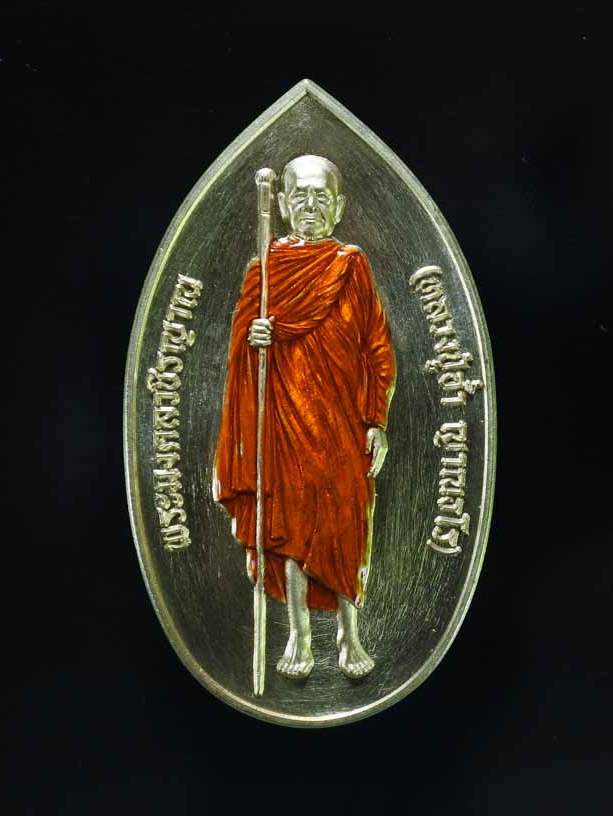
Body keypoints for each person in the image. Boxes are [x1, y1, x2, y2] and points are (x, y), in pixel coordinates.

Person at [213, 155, 396, 679]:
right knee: (290, 525)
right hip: (287, 421)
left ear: (338, 207)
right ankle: (298, 634)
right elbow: (240, 359)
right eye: (300, 196)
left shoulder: (351, 265)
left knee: (345, 521)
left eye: (321, 197)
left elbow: (376, 345)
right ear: (282, 203)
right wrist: (254, 340)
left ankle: (349, 635)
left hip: (342, 423)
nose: (310, 206)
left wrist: (376, 420)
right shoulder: (265, 270)